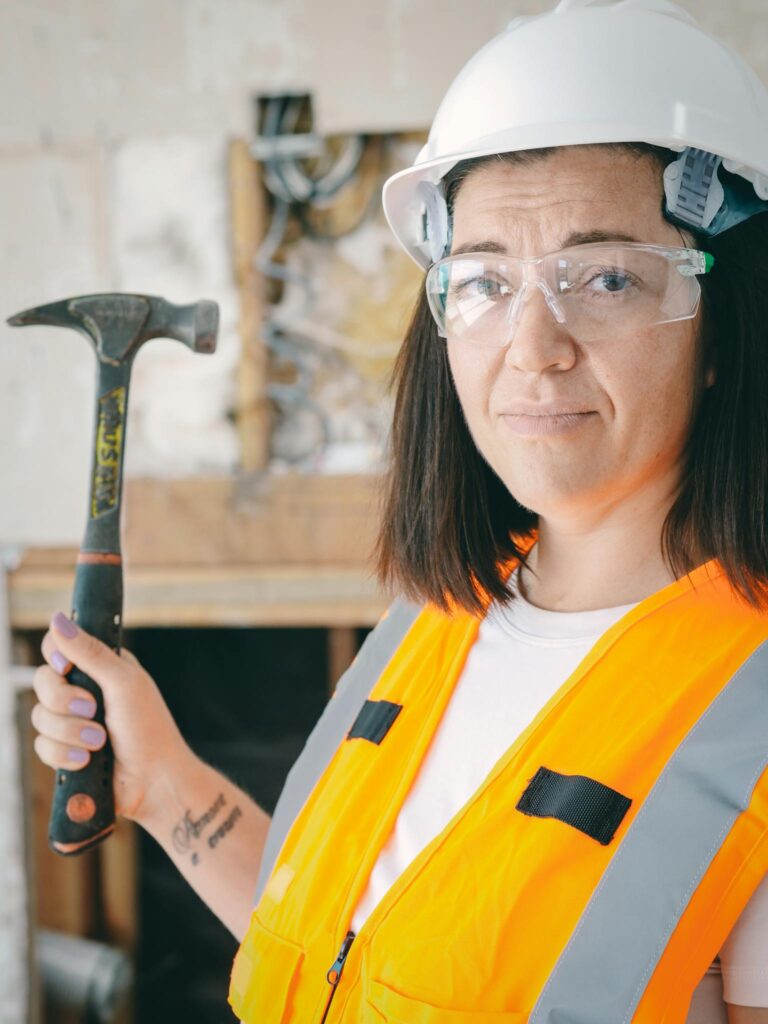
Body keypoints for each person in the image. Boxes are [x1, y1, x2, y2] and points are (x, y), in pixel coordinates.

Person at [30, 0, 768, 1021]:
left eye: (605, 277)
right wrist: (162, 784)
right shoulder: (439, 617)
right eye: (483, 281)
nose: (533, 344)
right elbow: (352, 964)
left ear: (723, 324)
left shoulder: (748, 715)